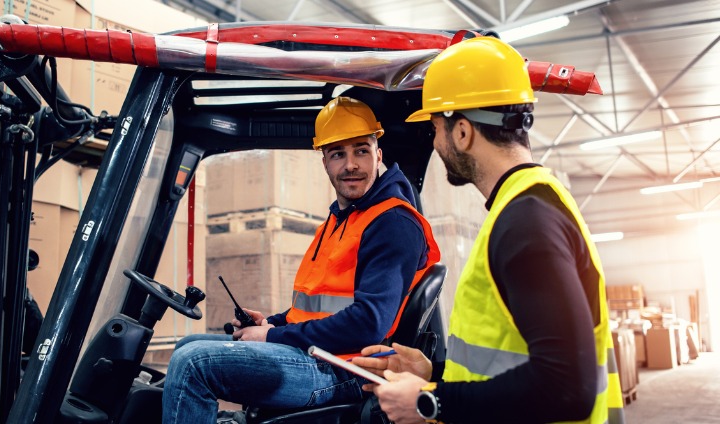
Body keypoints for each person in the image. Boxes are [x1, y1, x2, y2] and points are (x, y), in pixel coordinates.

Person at [352, 37, 625, 424]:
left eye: (436, 129)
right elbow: (510, 362)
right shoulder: (529, 205)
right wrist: (433, 375)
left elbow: (567, 388)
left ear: (462, 132)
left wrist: (431, 401)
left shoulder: (526, 222)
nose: (436, 141)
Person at [163, 96, 440, 424]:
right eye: (338, 153)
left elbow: (369, 323)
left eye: (361, 150)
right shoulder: (340, 220)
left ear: (378, 155)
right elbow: (314, 308)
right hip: (322, 356)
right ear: (324, 161)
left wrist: (271, 337)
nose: (351, 164)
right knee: (188, 346)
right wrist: (272, 323)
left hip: (347, 370)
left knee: (194, 364)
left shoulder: (392, 223)